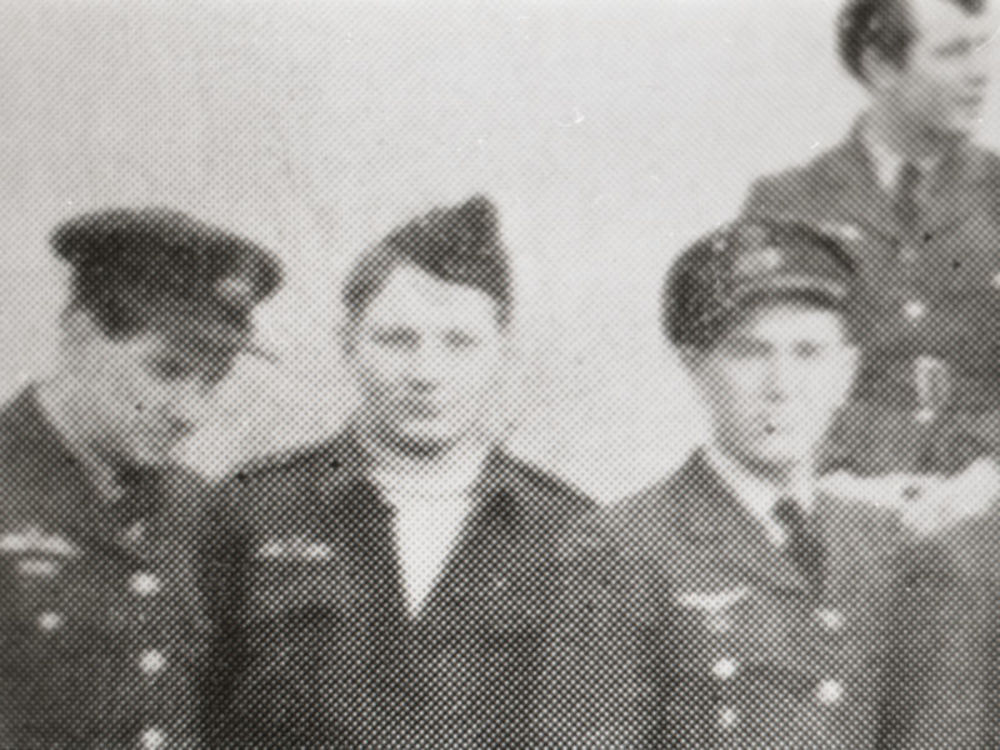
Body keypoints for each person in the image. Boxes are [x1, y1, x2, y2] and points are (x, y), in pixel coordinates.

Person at [201, 195, 595, 747]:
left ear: (502, 352)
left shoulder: (575, 534)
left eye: (459, 342)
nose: (426, 373)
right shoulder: (251, 507)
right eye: (396, 340)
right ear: (348, 344)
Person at [550, 218, 950, 748]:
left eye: (808, 353)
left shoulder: (890, 544)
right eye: (749, 352)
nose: (781, 386)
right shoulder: (616, 549)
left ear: (845, 373)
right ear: (695, 369)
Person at [0, 208, 282, 748]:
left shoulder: (202, 511)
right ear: (80, 336)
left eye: (212, 381)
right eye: (167, 370)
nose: (190, 413)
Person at [743, 0, 1000, 513]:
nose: (980, 73)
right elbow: (760, 378)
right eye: (952, 52)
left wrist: (989, 475)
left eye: (981, 47)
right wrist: (835, 483)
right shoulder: (789, 204)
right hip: (839, 503)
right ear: (880, 66)